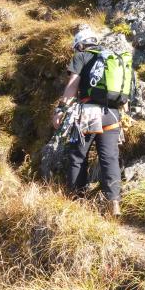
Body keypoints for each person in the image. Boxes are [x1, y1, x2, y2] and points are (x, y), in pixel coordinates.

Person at [53, 27, 122, 216]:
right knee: (109, 158)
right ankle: (114, 202)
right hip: (113, 114)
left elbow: (72, 86)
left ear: (80, 45)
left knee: (78, 156)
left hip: (89, 113)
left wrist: (60, 109)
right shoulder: (111, 57)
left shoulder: (81, 57)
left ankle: (77, 202)